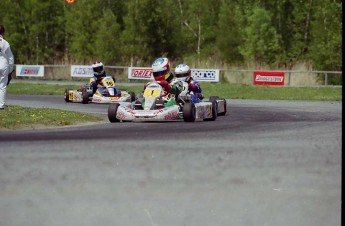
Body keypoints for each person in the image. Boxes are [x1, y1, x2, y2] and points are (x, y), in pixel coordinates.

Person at [0, 25, 14, 109]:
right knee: (2, 85)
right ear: (3, 32)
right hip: (3, 65)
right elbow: (10, 57)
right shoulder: (5, 43)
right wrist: (10, 69)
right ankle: (1, 105)